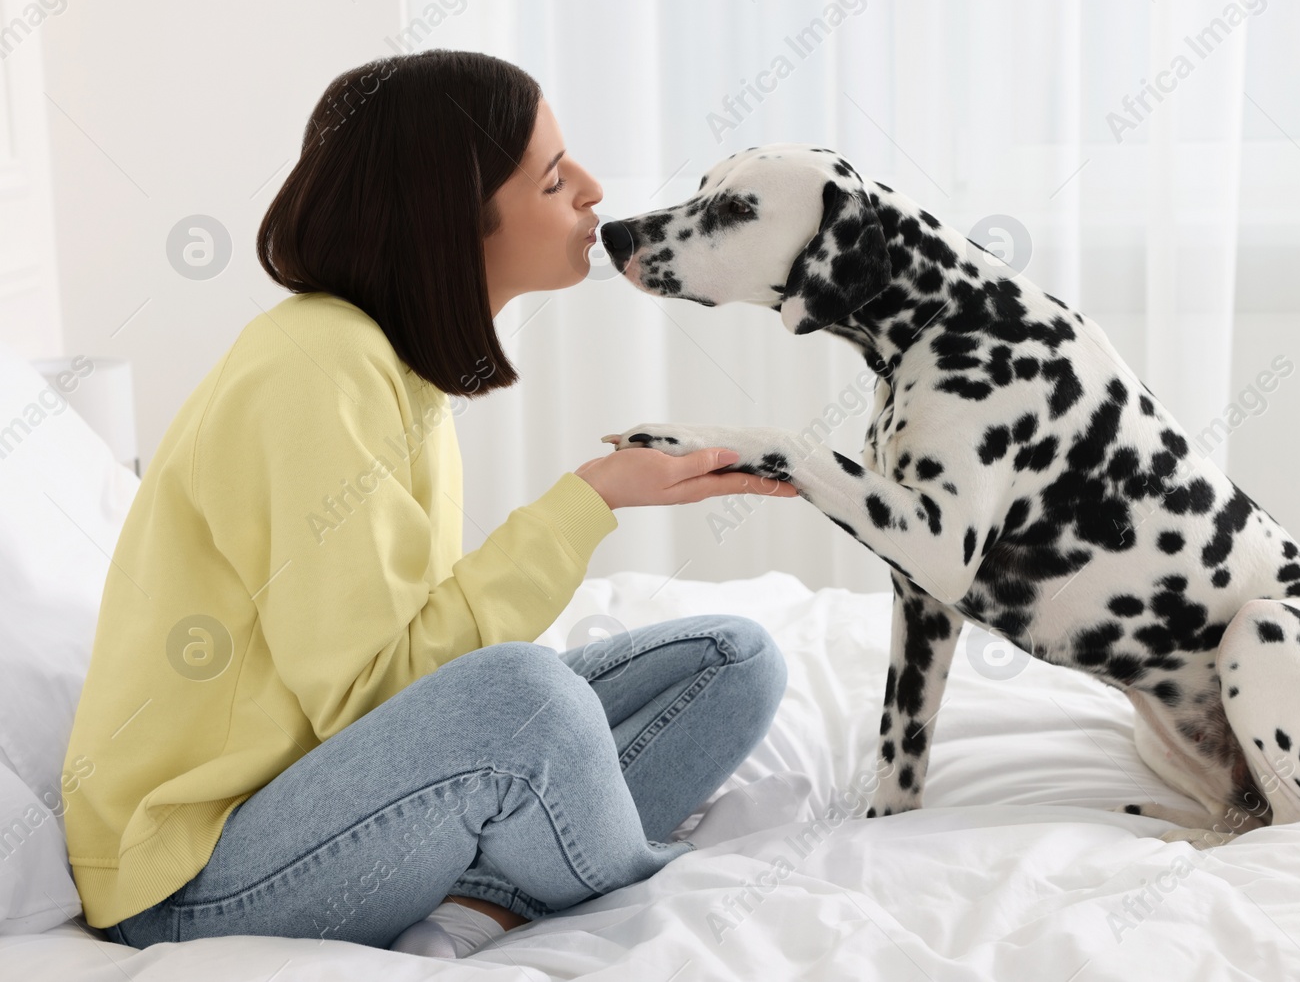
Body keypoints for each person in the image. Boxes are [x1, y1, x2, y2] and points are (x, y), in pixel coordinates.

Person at [64, 49, 798, 958]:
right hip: (193, 875)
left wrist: (604, 496)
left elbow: (411, 670)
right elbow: (380, 695)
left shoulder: (393, 366)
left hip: (329, 789)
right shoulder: (313, 366)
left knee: (738, 658)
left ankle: (488, 897)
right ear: (455, 219)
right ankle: (628, 886)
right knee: (524, 696)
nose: (593, 191)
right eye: (555, 178)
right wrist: (588, 501)